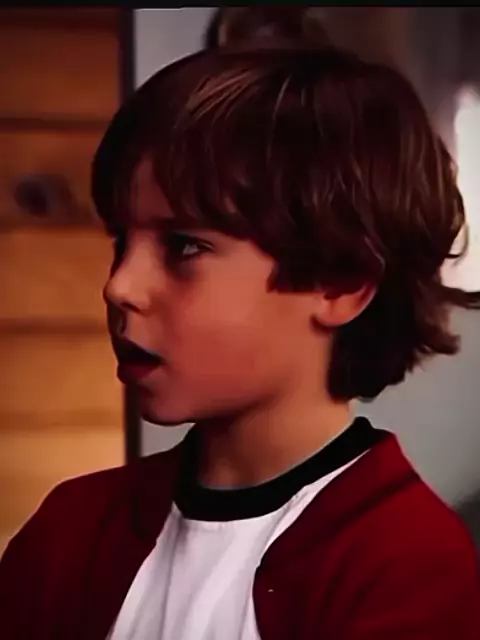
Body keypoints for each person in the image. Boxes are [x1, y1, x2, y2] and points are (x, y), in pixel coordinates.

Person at [1, 13, 480, 640]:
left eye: (184, 246)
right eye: (122, 241)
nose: (119, 286)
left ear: (340, 283)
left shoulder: (404, 563)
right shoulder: (72, 528)